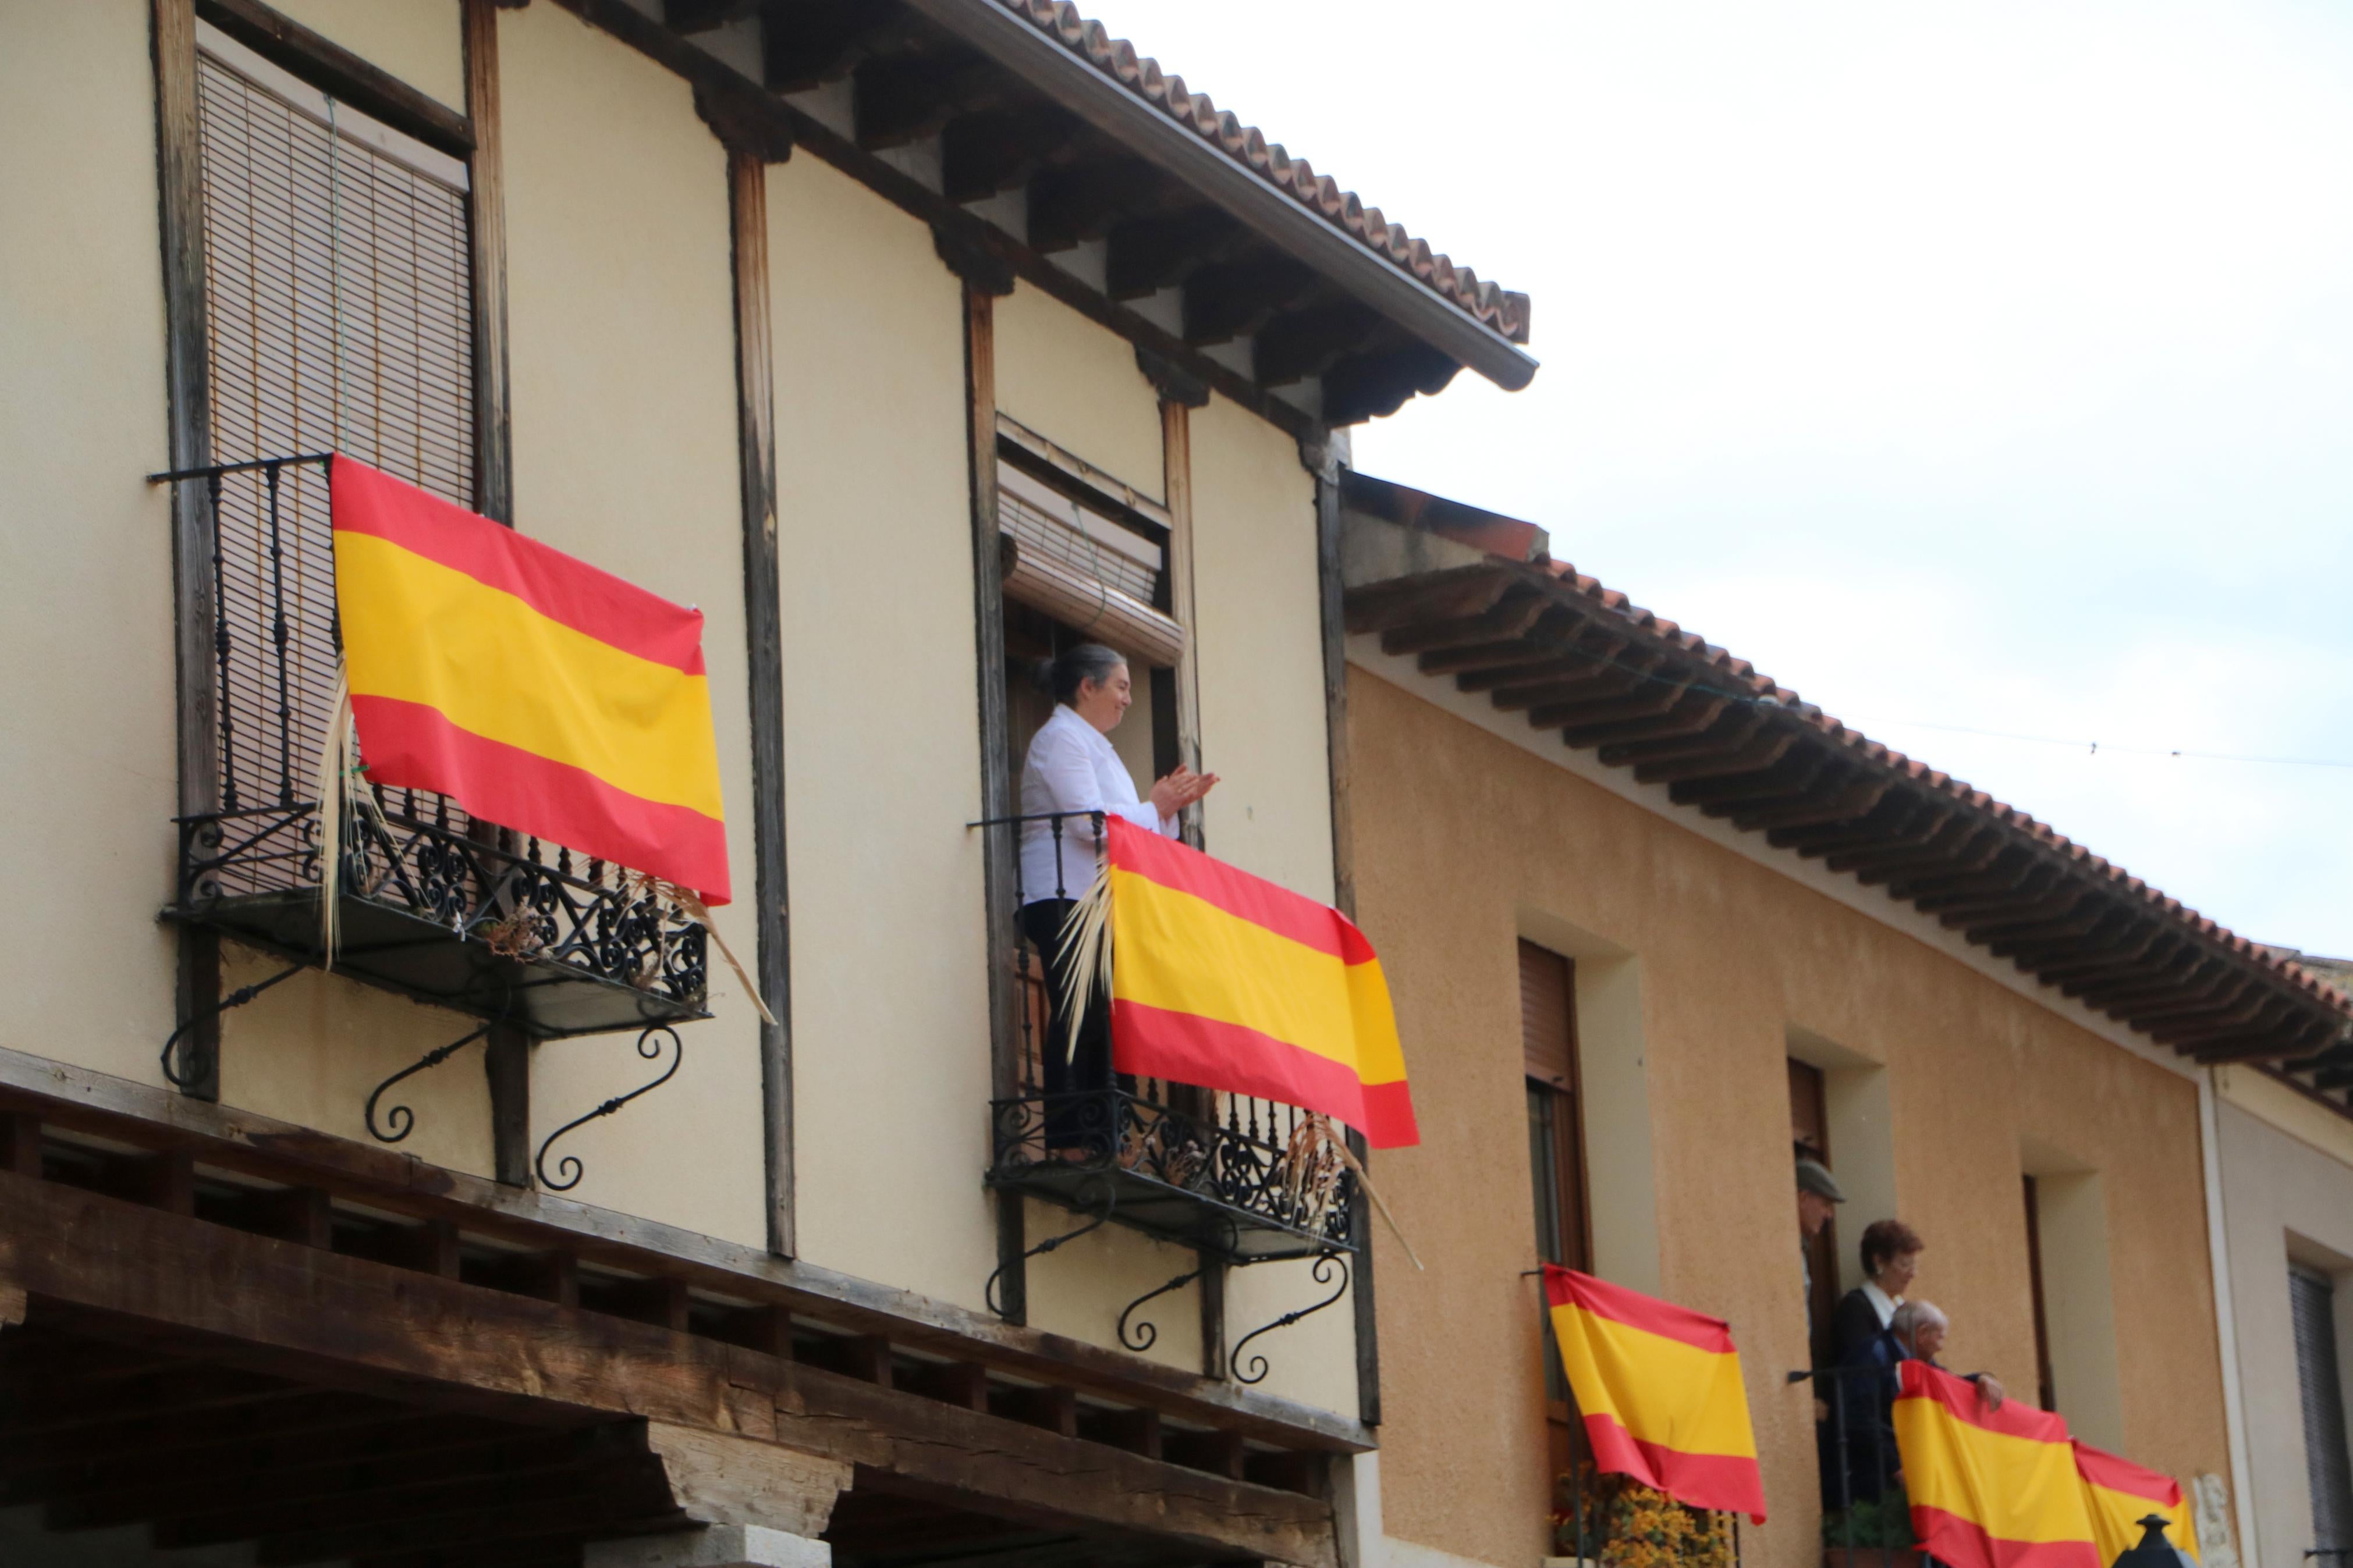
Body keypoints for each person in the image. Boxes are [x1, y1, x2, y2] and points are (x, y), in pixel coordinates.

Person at [1017, 644, 1216, 1148]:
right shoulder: (1062, 738)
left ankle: (1107, 1126)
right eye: (1121, 686)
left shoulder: (1095, 746)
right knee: (1079, 1005)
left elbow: (1133, 832)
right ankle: (1073, 1129)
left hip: (1097, 900)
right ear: (1088, 686)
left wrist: (1166, 810)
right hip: (1063, 895)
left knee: (1106, 1011)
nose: (1128, 699)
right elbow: (1092, 825)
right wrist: (1154, 806)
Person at [1826, 1219, 1923, 1505]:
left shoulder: (1900, 1310)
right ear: (1879, 1261)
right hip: (1873, 1449)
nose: (1912, 1274)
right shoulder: (1856, 1311)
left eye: (1914, 1265)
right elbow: (1864, 1385)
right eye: (1905, 1265)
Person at [1889, 1299, 2007, 1410]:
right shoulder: (1878, 1359)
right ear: (1922, 1333)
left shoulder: (1920, 1357)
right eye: (1940, 1338)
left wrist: (1981, 1379)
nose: (1940, 1349)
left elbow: (1947, 1382)